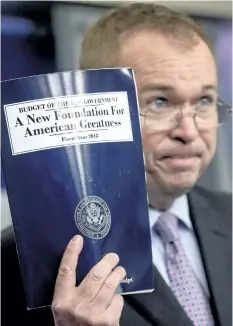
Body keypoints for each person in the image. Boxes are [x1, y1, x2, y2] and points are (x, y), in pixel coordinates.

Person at [1, 3, 231, 326]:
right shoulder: (19, 262)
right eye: (160, 102)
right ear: (98, 105)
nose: (189, 132)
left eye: (204, 100)